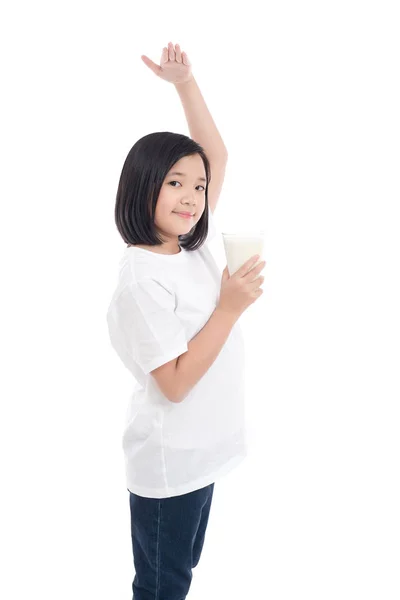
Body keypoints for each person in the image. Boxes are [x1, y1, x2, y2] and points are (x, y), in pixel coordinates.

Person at [106, 42, 266, 600]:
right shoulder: (141, 280)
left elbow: (215, 156)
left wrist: (184, 84)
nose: (193, 196)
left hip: (203, 454)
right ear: (142, 185)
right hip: (169, 464)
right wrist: (229, 307)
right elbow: (173, 383)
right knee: (161, 585)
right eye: (175, 182)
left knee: (181, 573)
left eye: (196, 187)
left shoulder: (190, 242)